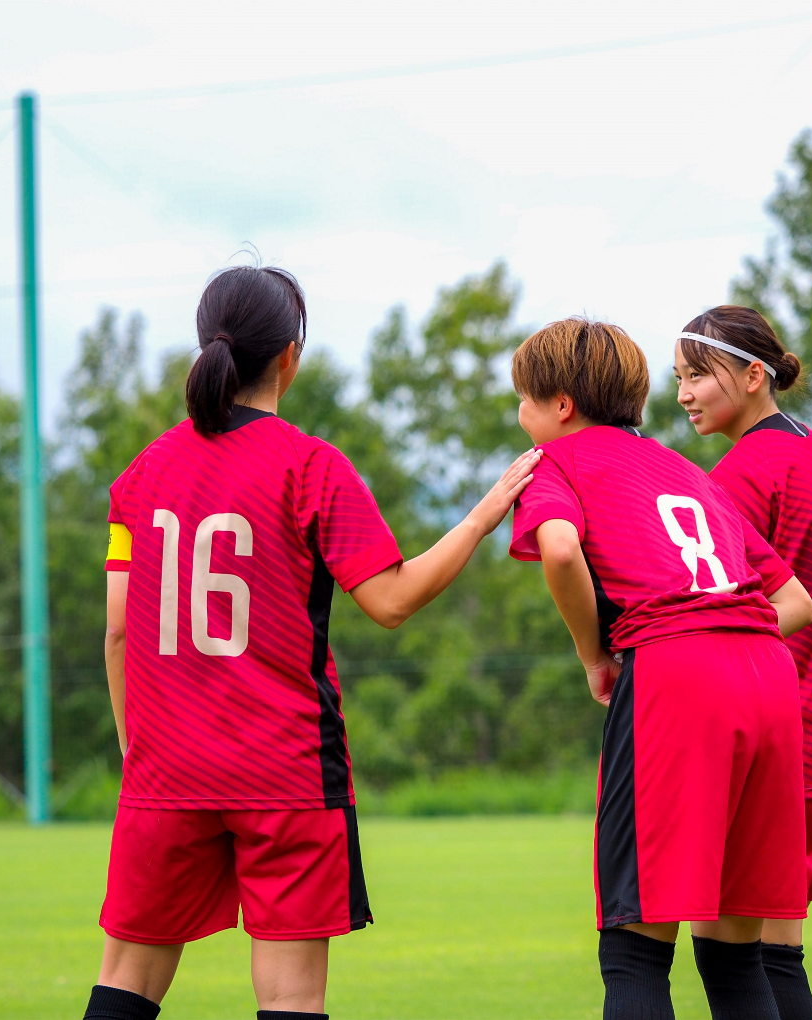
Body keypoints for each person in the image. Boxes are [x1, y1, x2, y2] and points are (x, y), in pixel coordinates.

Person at [83, 265, 540, 1020]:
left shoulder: (140, 476)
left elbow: (118, 628)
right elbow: (390, 601)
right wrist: (485, 512)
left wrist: (139, 747)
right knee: (290, 999)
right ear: (289, 359)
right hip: (284, 770)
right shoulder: (309, 465)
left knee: (124, 983)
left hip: (165, 770)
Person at [508, 317, 812, 1020]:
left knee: (636, 949)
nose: (521, 418)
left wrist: (595, 654)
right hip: (768, 675)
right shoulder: (686, 472)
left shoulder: (556, 462)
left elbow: (559, 552)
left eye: (524, 401)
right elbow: (795, 599)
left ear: (560, 406)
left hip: (678, 678)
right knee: (736, 953)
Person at [671, 305, 812, 1020]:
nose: (683, 394)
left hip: (789, 728)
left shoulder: (741, 475)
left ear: (753, 374)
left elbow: (725, 616)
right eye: (678, 378)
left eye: (697, 376)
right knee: (778, 948)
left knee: (731, 950)